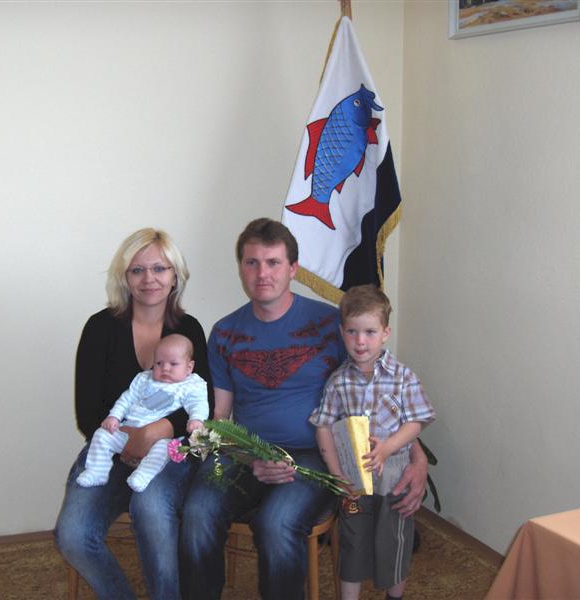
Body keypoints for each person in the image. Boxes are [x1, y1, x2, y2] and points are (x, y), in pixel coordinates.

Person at [179, 218, 428, 600]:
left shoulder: (332, 324)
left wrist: (417, 457)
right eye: (252, 262)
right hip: (245, 453)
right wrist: (251, 458)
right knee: (197, 512)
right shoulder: (225, 332)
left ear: (293, 268)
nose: (262, 273)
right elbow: (221, 419)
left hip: (315, 455)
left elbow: (381, 392)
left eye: (273, 262)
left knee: (276, 523)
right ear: (241, 268)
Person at [55, 228, 213, 600]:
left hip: (170, 454)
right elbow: (87, 412)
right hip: (112, 450)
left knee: (151, 509)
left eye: (159, 268)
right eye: (137, 270)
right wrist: (130, 442)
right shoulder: (100, 328)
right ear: (124, 277)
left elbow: (200, 402)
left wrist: (157, 431)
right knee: (72, 535)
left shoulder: (189, 329)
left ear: (175, 276)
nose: (149, 279)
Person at [310, 284, 436, 600]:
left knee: (394, 541)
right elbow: (323, 427)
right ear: (342, 332)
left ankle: (394, 596)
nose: (360, 341)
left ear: (385, 333)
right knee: (352, 540)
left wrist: (388, 447)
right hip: (353, 477)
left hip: (394, 475)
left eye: (370, 332)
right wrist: (336, 473)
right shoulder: (337, 381)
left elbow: (417, 421)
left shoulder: (403, 377)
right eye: (352, 332)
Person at [77, 334, 209, 493]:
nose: (165, 368)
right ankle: (97, 472)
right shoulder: (144, 379)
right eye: (159, 363)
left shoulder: (192, 385)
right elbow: (126, 399)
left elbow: (198, 403)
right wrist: (114, 416)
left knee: (164, 449)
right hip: (128, 433)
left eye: (173, 364)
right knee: (102, 435)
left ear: (189, 367)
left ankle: (143, 475)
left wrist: (196, 419)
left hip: (160, 438)